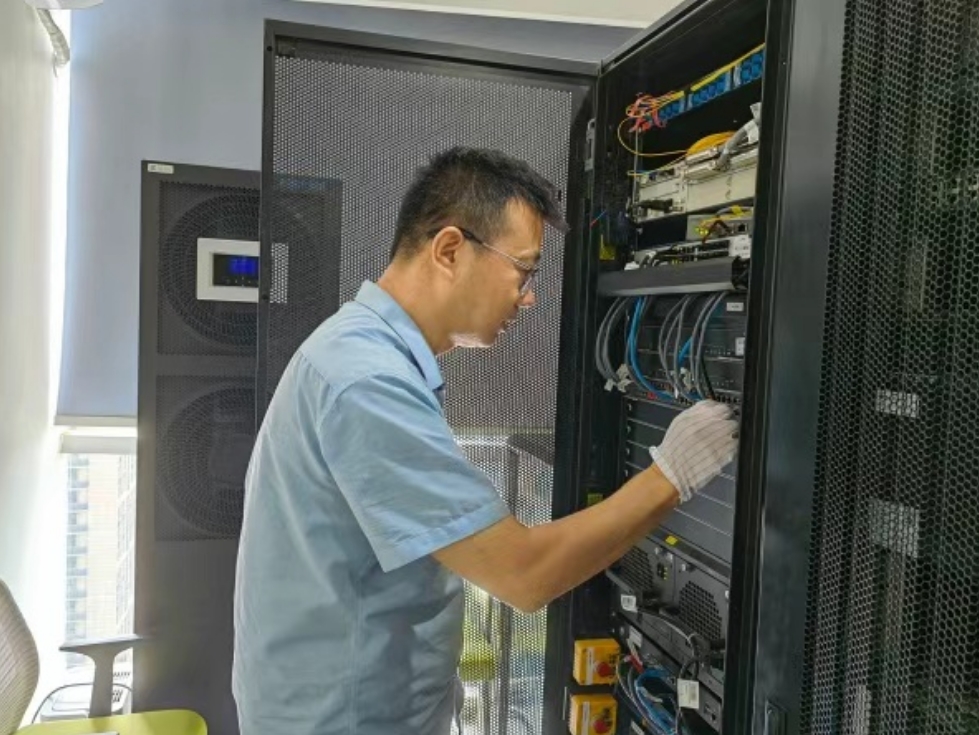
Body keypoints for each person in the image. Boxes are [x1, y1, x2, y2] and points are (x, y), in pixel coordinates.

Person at [231, 147, 738, 735]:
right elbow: (524, 574)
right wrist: (670, 475)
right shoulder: (366, 382)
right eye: (524, 270)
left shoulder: (361, 354)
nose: (529, 296)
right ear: (449, 249)